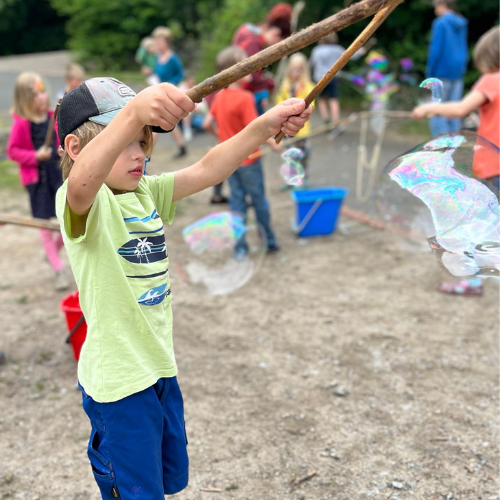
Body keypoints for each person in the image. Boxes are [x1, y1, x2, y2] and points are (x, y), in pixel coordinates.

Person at [54, 76, 310, 499]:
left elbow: (208, 168)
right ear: (76, 149)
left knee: (162, 481)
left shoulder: (145, 192)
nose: (138, 154)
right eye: (125, 143)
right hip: (119, 387)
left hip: (158, 369)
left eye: (142, 142)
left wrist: (265, 126)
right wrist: (136, 110)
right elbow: (83, 182)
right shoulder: (80, 202)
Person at [413, 26, 499, 296]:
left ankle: (471, 281)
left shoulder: (490, 80)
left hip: (493, 165)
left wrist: (429, 108)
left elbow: (461, 108)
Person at [204, 46, 284, 257]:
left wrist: (221, 139)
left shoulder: (220, 97)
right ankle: (270, 241)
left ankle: (240, 248)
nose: (251, 69)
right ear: (234, 71)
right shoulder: (245, 98)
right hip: (249, 160)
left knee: (237, 202)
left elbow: (206, 123)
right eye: (245, 65)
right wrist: (274, 144)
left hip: (229, 162)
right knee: (259, 201)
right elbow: (258, 130)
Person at [7, 72, 70, 291]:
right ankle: (58, 269)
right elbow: (12, 151)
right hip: (38, 182)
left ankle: (52, 252)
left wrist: (63, 151)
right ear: (24, 100)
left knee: (67, 221)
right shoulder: (22, 124)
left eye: (43, 91)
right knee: (45, 226)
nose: (42, 97)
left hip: (56, 176)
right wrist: (34, 156)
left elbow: (61, 142)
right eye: (35, 94)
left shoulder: (54, 117)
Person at [232, 4, 292, 114]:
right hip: (243, 95)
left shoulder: (248, 29)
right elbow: (251, 76)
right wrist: (271, 83)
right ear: (276, 34)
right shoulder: (253, 42)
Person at [426, 0, 468, 137]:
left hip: (441, 71)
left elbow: (436, 51)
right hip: (458, 71)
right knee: (454, 110)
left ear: (442, 4)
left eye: (435, 6)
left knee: (437, 110)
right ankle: (454, 146)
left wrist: (430, 74)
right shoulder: (462, 23)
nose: (434, 10)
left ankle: (441, 146)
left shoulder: (440, 23)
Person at [276, 52, 315, 184]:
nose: (296, 73)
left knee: (303, 156)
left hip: (302, 131)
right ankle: (291, 180)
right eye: (294, 69)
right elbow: (279, 102)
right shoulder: (285, 86)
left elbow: (312, 104)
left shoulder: (308, 86)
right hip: (287, 130)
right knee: (290, 157)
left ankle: (303, 179)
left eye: (299, 70)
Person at [152, 26, 187, 158]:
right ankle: (182, 146)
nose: (157, 44)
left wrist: (170, 84)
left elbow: (180, 74)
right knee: (168, 121)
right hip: (161, 91)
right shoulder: (158, 57)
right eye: (157, 41)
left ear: (166, 42)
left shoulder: (173, 58)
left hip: (170, 92)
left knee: (157, 122)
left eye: (160, 41)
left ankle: (147, 154)